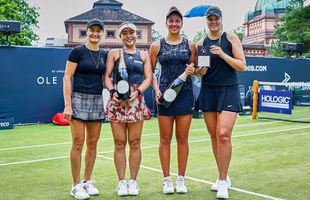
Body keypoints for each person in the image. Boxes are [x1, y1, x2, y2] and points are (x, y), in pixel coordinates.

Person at [196, 6, 246, 199]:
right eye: (210, 19)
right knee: (214, 137)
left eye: (216, 19)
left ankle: (223, 182)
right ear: (207, 21)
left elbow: (242, 65)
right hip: (209, 90)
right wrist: (201, 71)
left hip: (229, 89)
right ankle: (222, 176)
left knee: (223, 134)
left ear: (221, 20)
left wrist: (222, 54)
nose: (213, 22)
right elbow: (201, 73)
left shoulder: (231, 38)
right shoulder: (202, 42)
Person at [149, 6, 196, 194]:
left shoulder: (190, 45)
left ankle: (181, 179)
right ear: (166, 23)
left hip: (185, 95)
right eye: (171, 21)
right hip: (165, 97)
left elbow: (196, 68)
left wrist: (194, 70)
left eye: (177, 21)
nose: (174, 24)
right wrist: (156, 89)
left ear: (181, 23)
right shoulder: (156, 46)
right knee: (165, 139)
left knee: (183, 138)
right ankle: (167, 180)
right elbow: (150, 73)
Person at [104, 22, 152, 196]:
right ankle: (121, 182)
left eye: (131, 32)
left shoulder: (144, 55)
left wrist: (138, 91)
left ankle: (133, 182)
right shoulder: (114, 53)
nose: (129, 35)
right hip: (117, 102)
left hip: (136, 101)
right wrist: (112, 91)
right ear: (120, 36)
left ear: (136, 34)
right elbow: (107, 77)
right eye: (125, 33)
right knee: (119, 143)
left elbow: (148, 78)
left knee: (135, 142)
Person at [63, 19, 108, 200]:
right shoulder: (77, 52)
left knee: (92, 144)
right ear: (87, 32)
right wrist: (67, 104)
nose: (95, 34)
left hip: (97, 100)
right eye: (92, 30)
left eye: (98, 31)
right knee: (78, 143)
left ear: (102, 33)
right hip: (78, 99)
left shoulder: (104, 55)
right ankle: (75, 186)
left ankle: (87, 182)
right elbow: (67, 77)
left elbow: (106, 79)